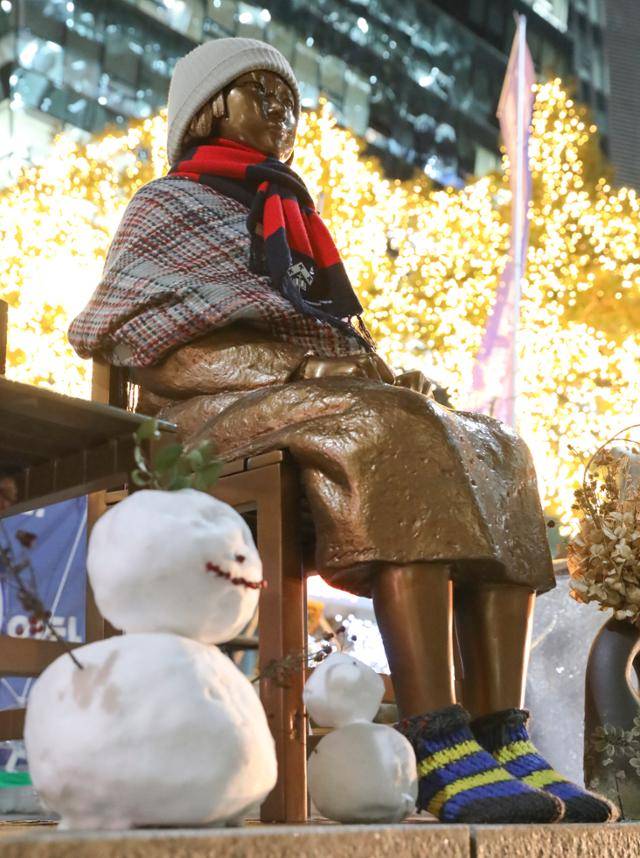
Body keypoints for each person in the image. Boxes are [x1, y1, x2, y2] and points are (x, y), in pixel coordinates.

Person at [69, 38, 614, 824]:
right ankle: (436, 738)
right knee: (388, 428)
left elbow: (327, 337)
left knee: (502, 449)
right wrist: (292, 373)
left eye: (291, 101)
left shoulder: (288, 212)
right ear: (208, 109)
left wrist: (376, 374)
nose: (284, 113)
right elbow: (154, 341)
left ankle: (502, 732)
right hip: (206, 413)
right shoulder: (167, 204)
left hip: (309, 405)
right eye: (263, 94)